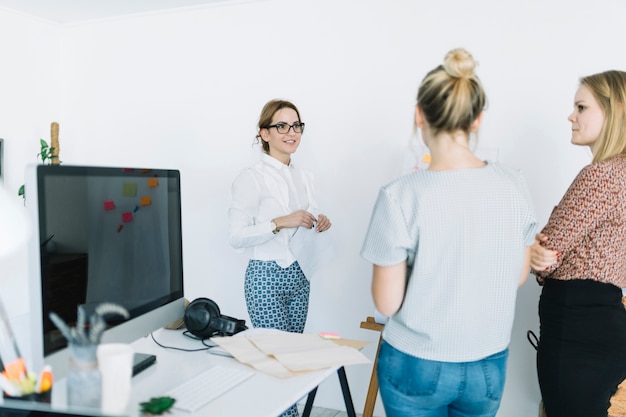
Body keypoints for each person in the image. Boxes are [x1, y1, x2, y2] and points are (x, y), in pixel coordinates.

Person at [360, 48, 537, 417]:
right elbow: (518, 276)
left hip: (415, 362)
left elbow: (387, 303)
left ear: (419, 114)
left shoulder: (400, 195)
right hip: (488, 363)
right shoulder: (515, 184)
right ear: (476, 120)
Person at [530, 70, 626, 417]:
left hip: (577, 331)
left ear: (614, 109)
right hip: (602, 324)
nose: (571, 116)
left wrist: (534, 255)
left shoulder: (601, 175)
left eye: (581, 107)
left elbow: (547, 254)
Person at [228, 99, 331, 417]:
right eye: (281, 126)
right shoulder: (252, 177)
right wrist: (279, 222)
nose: (291, 132)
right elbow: (236, 236)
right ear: (264, 133)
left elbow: (305, 220)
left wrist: (319, 221)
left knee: (291, 362)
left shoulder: (305, 177)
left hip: (300, 277)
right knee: (276, 364)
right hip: (266, 277)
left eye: (296, 125)